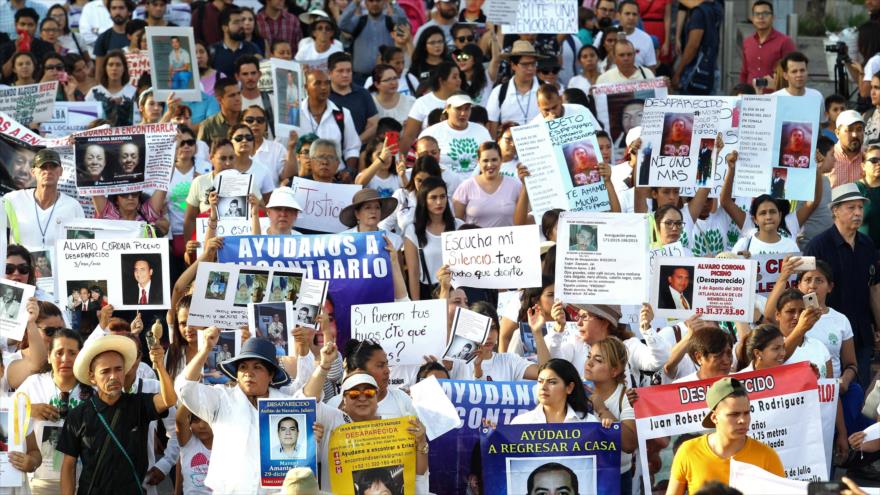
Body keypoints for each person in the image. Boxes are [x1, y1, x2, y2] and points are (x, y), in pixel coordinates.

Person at [57, 334, 176, 494]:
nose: (113, 376)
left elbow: (169, 400)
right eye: (105, 371)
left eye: (118, 369)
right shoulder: (78, 415)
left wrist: (160, 365)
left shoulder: (139, 404)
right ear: (92, 377)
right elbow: (68, 466)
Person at [805, 183, 880, 387]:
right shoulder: (817, 246)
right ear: (835, 211)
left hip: (861, 332)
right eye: (851, 207)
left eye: (860, 207)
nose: (857, 212)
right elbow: (807, 290)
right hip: (826, 335)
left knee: (860, 393)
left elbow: (874, 287)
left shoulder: (867, 244)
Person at [666, 378, 784, 494]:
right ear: (714, 418)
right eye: (734, 414)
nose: (743, 420)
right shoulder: (688, 452)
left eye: (747, 413)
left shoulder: (767, 456)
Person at [4, 149, 85, 250]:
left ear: (60, 171)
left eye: (53, 167)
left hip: (59, 265)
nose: (48, 171)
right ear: (33, 172)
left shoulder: (73, 206)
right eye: (43, 167)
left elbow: (82, 245)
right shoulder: (12, 199)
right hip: (22, 265)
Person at [299, 69, 361, 171]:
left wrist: (349, 171)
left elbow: (352, 148)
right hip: (303, 177)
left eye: (327, 83)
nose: (323, 87)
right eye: (317, 83)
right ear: (306, 87)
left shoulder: (343, 113)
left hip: (335, 178)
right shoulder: (294, 114)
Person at [453, 141, 523, 228]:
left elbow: (525, 218)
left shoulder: (516, 185)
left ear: (501, 160)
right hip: (475, 240)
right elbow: (457, 222)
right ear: (478, 161)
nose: (490, 165)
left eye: (494, 160)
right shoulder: (466, 187)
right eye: (485, 161)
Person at [338, 0, 408, 85]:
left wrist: (392, 2)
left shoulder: (390, 22)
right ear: (366, 3)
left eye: (378, 1)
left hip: (385, 78)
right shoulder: (359, 22)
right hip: (359, 79)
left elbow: (403, 22)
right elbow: (341, 23)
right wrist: (355, 3)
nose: (375, 4)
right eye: (371, 1)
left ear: (384, 2)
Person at [486, 40, 544, 136]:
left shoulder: (546, 89)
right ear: (513, 65)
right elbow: (492, 129)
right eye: (525, 64)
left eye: (533, 64)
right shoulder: (499, 92)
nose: (530, 68)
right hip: (510, 147)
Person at [739, 0, 795, 91]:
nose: (761, 17)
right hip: (750, 98)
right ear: (752, 18)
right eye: (757, 14)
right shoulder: (747, 42)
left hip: (775, 97)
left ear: (773, 17)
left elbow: (792, 73)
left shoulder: (785, 42)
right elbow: (744, 72)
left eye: (765, 13)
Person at [328, 52, 379, 144]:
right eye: (340, 71)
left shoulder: (363, 94)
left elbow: (374, 124)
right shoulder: (323, 95)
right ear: (330, 73)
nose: (345, 75)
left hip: (359, 151)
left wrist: (354, 144)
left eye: (348, 71)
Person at [674, 0, 723, 95]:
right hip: (712, 70)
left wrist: (678, 72)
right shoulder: (716, 7)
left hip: (695, 73)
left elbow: (693, 46)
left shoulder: (699, 12)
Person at [85, 49, 136, 126]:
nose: (114, 68)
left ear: (124, 68)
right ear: (105, 68)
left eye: (118, 65)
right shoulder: (93, 92)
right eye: (110, 64)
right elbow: (86, 120)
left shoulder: (133, 92)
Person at [210, 7, 261, 78]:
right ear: (225, 28)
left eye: (241, 21)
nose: (241, 25)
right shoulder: (213, 51)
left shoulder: (252, 48)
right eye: (236, 22)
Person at [93, 0, 132, 84]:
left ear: (129, 11)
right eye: (114, 8)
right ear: (109, 12)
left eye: (121, 8)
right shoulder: (103, 38)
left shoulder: (137, 35)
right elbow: (99, 73)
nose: (117, 12)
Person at [198, 78, 243, 145]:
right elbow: (200, 153)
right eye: (232, 95)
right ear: (219, 100)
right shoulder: (207, 126)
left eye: (239, 93)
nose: (237, 98)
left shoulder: (250, 120)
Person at [831, 110, 866, 188]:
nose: (855, 135)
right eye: (849, 130)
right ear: (837, 133)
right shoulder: (826, 158)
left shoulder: (871, 157)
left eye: (859, 129)